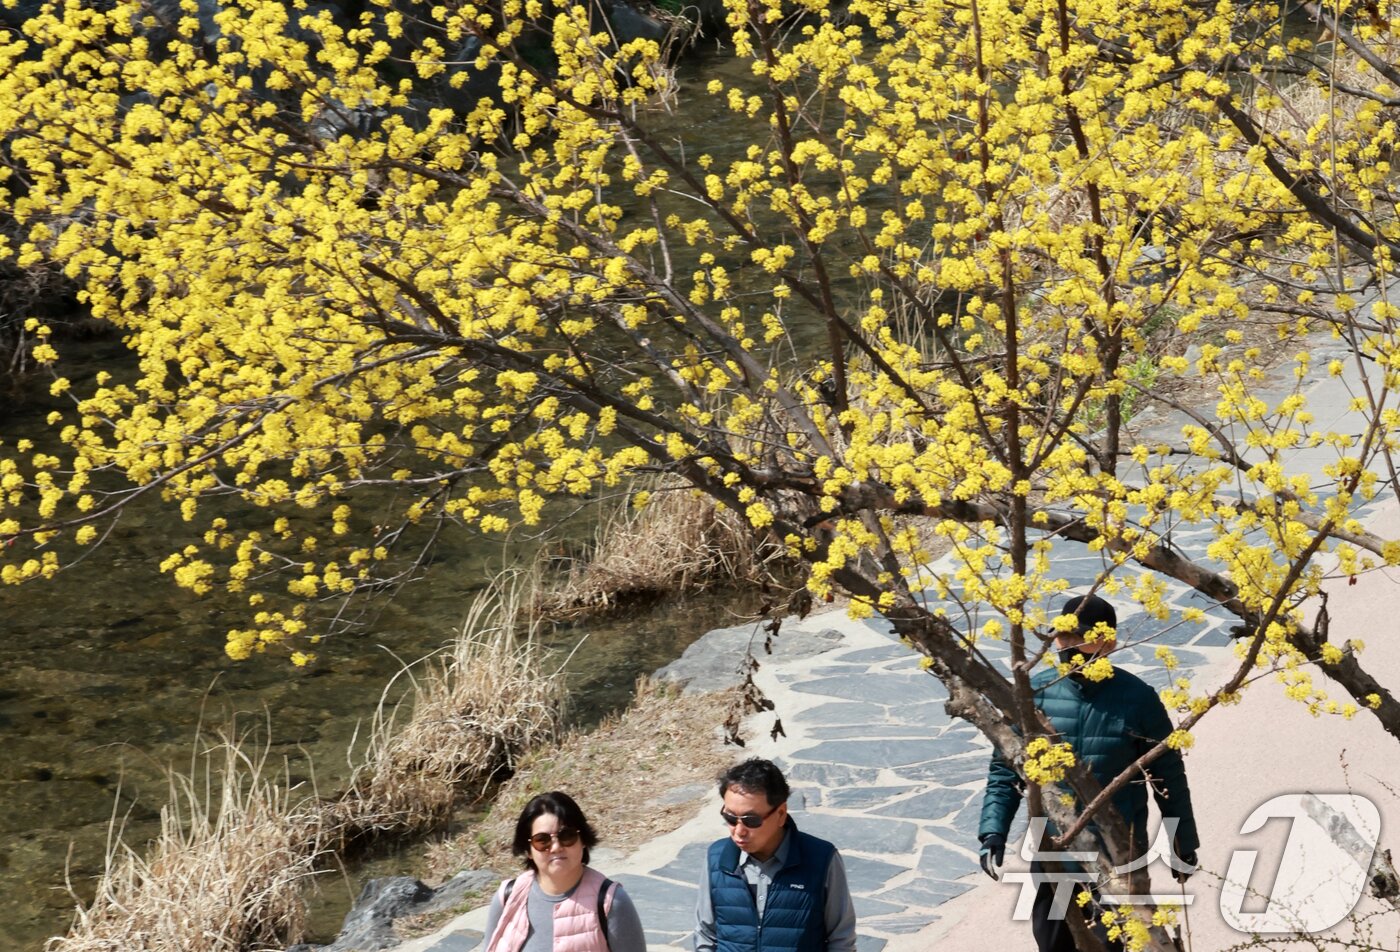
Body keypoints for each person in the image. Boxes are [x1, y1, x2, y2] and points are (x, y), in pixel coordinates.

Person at [977, 594, 1201, 952]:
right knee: (1055, 945)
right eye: (1063, 636)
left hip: (1117, 857)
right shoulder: (1037, 695)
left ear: (1108, 642)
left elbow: (1169, 777)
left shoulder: (1139, 700)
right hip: (1056, 854)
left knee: (1113, 944)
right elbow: (1006, 770)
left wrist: (1182, 843)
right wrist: (993, 831)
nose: (1068, 645)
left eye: (1078, 636)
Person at [693, 757, 857, 952]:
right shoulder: (716, 858)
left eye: (751, 820)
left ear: (780, 814)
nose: (738, 831)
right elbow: (706, 935)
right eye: (730, 818)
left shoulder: (821, 859)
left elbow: (841, 939)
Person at [484, 791, 647, 952]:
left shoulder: (611, 902)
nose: (555, 847)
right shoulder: (508, 898)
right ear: (528, 851)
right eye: (542, 840)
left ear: (583, 840)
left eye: (566, 836)